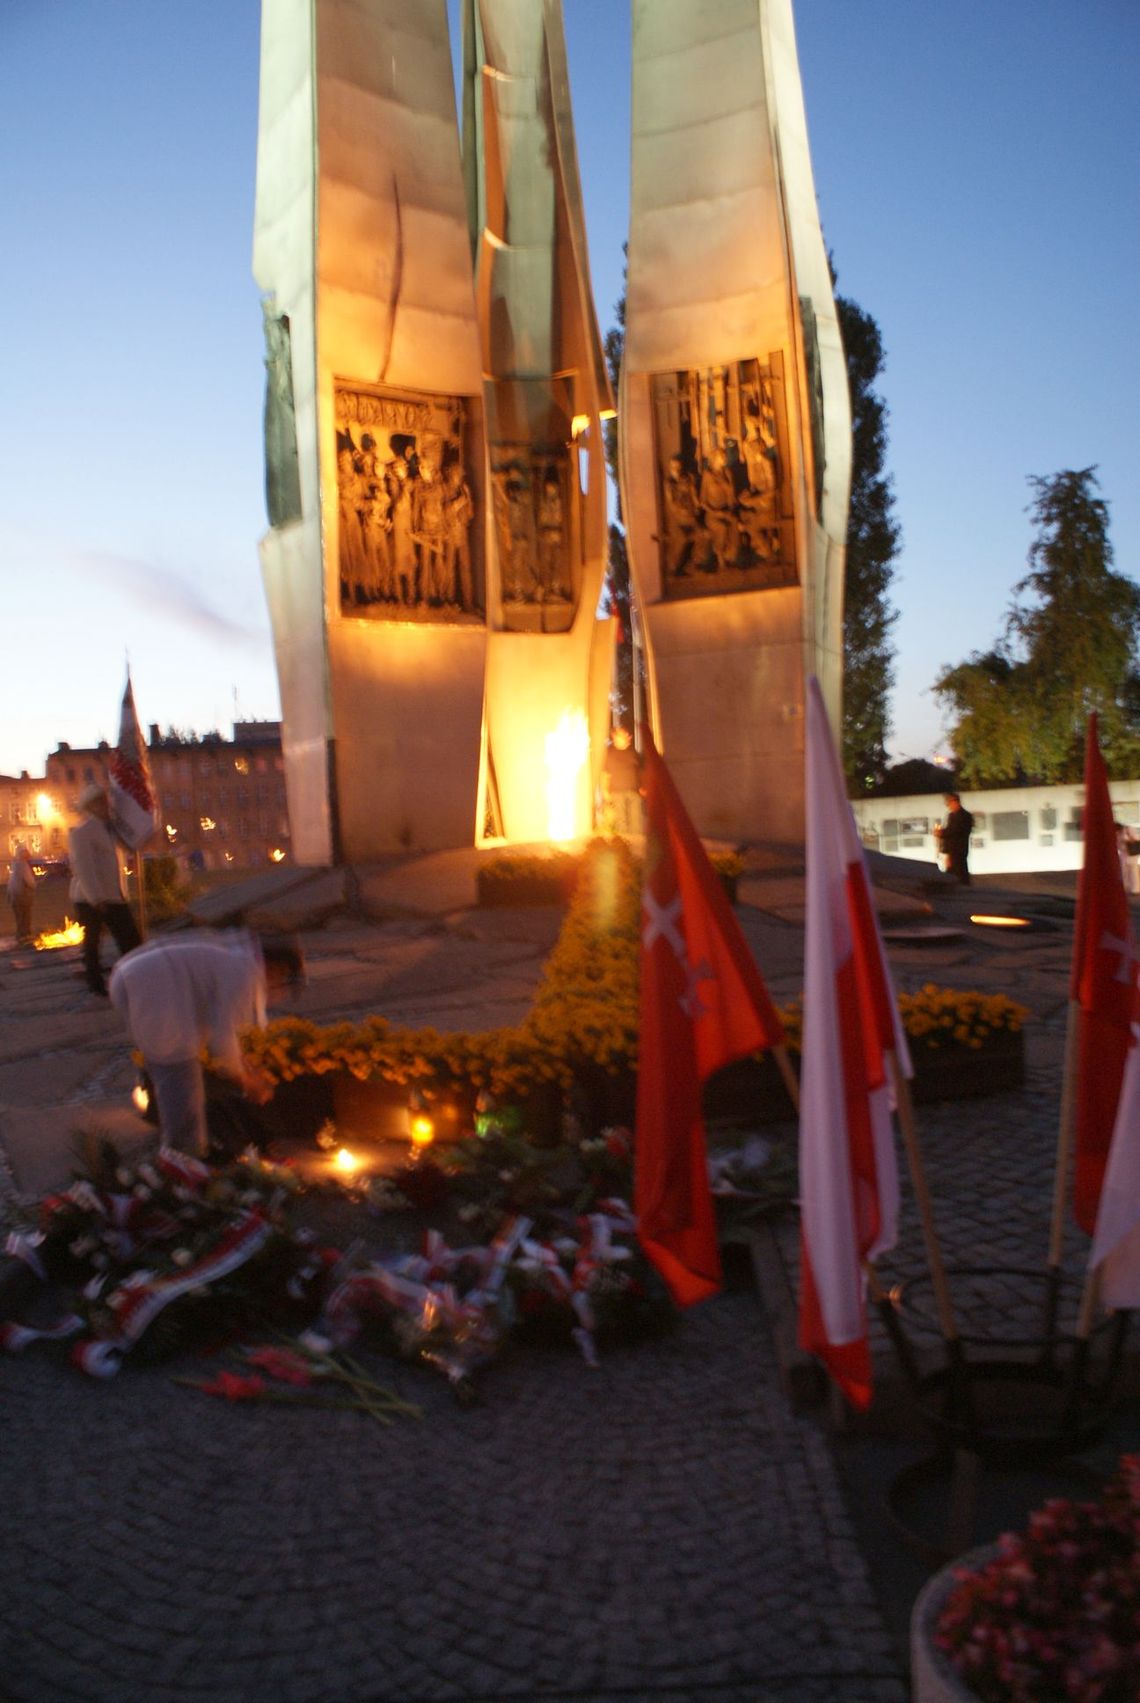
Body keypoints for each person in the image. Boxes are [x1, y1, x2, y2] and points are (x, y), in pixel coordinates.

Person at [108, 929, 304, 1158]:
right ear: (274, 969)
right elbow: (224, 1039)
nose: (280, 988)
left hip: (137, 977)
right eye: (282, 979)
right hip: (151, 984)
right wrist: (248, 1082)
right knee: (178, 1075)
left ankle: (184, 1155)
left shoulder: (239, 963)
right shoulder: (243, 974)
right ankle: (184, 1160)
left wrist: (247, 1070)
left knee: (181, 1073)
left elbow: (223, 1035)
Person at [68, 784, 141, 994]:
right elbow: (83, 867)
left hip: (114, 895)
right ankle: (95, 983)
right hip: (92, 898)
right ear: (90, 807)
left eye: (105, 800)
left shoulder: (111, 830)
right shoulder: (82, 832)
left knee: (130, 940)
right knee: (92, 943)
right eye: (99, 801)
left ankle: (134, 977)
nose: (105, 804)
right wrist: (96, 898)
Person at [599, 727, 642, 835]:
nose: (626, 737)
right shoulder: (610, 754)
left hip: (634, 792)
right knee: (621, 821)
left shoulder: (633, 753)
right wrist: (605, 792)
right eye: (618, 736)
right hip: (617, 792)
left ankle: (636, 845)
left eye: (623, 735)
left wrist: (643, 787)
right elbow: (605, 774)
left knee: (636, 820)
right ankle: (624, 844)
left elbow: (641, 771)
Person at [937, 793, 975, 886]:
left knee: (959, 870)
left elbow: (956, 831)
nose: (948, 806)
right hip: (952, 849)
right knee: (953, 870)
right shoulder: (952, 815)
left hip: (958, 849)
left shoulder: (964, 816)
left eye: (949, 803)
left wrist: (942, 833)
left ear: (955, 802)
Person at [6, 843, 37, 945]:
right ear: (22, 853)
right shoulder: (22, 865)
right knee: (25, 916)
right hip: (22, 895)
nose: (28, 854)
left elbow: (10, 881)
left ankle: (20, 935)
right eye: (26, 852)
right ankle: (25, 936)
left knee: (19, 917)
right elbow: (29, 881)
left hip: (14, 895)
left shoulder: (14, 864)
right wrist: (34, 885)